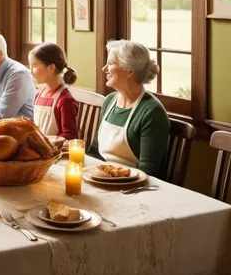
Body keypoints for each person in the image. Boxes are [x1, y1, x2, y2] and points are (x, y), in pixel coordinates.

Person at [87, 39, 170, 177]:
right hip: (102, 178)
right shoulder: (109, 101)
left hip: (134, 188)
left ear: (129, 71)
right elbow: (95, 151)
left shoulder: (152, 111)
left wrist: (112, 180)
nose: (104, 68)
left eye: (111, 63)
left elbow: (148, 171)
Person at [29, 42, 79, 140]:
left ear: (51, 68)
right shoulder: (39, 95)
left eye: (34, 66)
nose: (30, 71)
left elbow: (70, 136)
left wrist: (45, 141)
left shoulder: (65, 100)